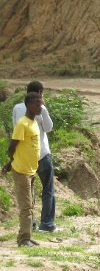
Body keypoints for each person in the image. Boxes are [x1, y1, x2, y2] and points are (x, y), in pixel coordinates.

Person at [12, 81, 57, 232]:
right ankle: (47, 223)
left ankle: (31, 224)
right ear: (39, 93)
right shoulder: (40, 108)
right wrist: (43, 111)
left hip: (25, 156)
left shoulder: (17, 108)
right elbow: (49, 128)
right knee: (48, 190)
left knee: (28, 193)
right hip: (42, 153)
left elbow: (15, 132)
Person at [4, 93, 43, 247]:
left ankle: (27, 236)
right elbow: (12, 147)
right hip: (21, 171)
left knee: (31, 205)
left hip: (31, 170)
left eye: (41, 104)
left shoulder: (34, 122)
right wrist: (11, 162)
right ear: (29, 105)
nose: (40, 107)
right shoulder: (22, 124)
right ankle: (23, 240)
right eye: (37, 105)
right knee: (26, 207)